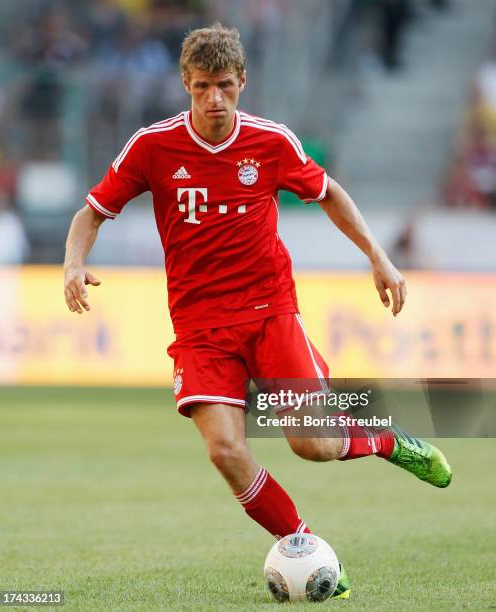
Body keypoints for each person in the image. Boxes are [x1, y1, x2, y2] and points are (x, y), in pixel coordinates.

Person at [63, 24, 451, 599]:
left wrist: (379, 257)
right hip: (199, 328)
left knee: (312, 445)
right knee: (224, 449)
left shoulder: (270, 142)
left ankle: (391, 441)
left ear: (243, 81)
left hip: (271, 313)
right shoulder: (152, 146)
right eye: (200, 87)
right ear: (185, 85)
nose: (212, 99)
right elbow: (92, 211)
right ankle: (310, 551)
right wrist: (73, 264)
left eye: (223, 85)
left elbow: (330, 195)